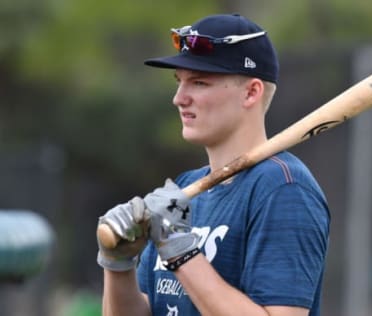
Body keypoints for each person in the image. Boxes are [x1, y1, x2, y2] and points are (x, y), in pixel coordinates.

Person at [97, 13, 330, 316]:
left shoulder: (284, 189)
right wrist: (118, 265)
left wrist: (179, 249)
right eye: (179, 82)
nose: (179, 98)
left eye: (200, 82)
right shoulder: (183, 189)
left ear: (251, 92)